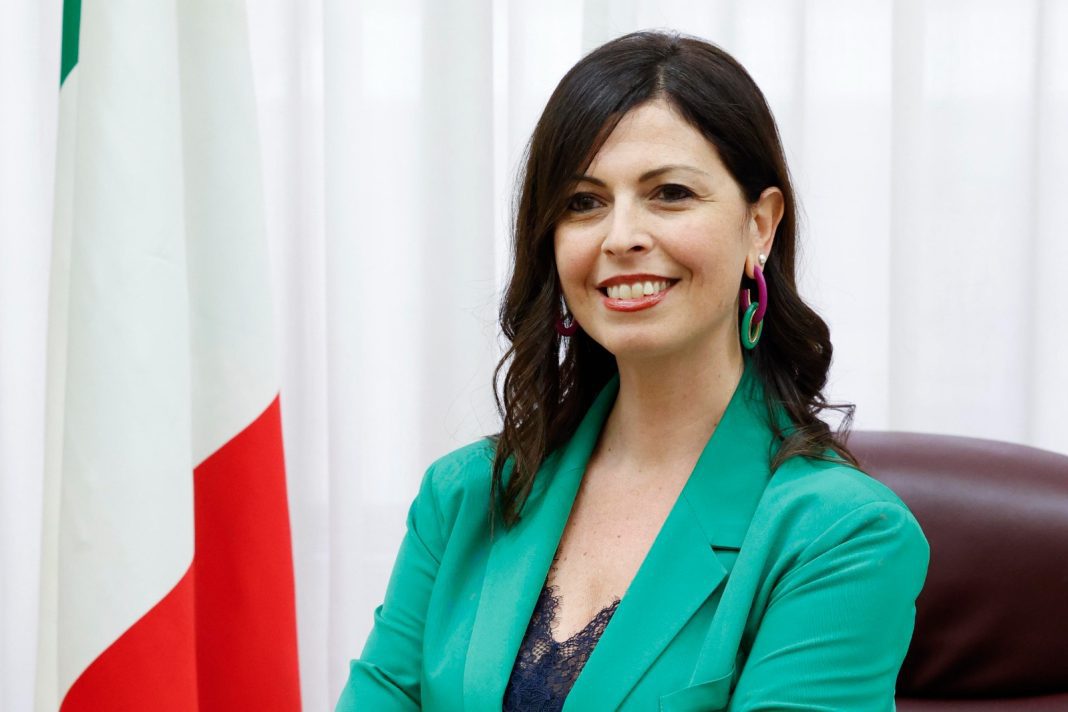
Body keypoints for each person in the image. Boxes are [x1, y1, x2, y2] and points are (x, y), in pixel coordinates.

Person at [337, 29, 928, 711]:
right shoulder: (464, 498)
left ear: (760, 226)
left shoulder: (842, 536)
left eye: (670, 193)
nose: (620, 237)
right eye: (583, 202)